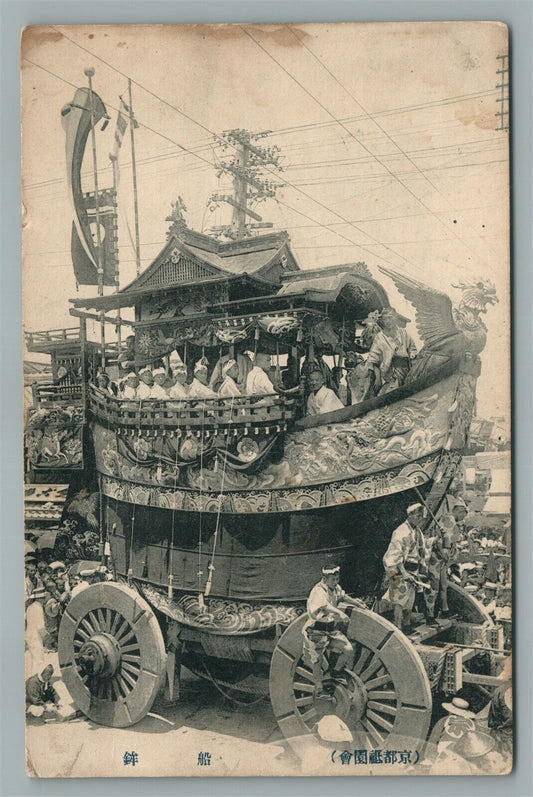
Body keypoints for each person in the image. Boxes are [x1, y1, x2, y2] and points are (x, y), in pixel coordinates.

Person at [302, 565, 366, 698]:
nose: (336, 582)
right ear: (324, 579)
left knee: (348, 649)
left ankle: (336, 672)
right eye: (333, 579)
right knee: (316, 661)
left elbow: (344, 597)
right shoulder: (318, 591)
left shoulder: (335, 588)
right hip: (316, 631)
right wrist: (339, 613)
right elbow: (324, 605)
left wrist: (358, 604)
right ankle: (319, 688)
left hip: (330, 630)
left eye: (337, 579)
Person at [382, 503, 430, 632]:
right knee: (400, 598)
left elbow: (421, 550)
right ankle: (398, 624)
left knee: (410, 598)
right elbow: (395, 555)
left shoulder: (416, 531)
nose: (420, 519)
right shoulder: (401, 532)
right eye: (418, 516)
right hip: (398, 568)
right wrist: (403, 572)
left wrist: (421, 568)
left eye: (422, 517)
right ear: (410, 515)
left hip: (412, 568)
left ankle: (407, 623)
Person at [364, 307, 417, 395]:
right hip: (390, 372)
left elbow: (412, 349)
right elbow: (374, 360)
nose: (388, 321)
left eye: (390, 317)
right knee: (387, 394)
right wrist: (378, 378)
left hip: (407, 369)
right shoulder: (380, 337)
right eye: (385, 319)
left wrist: (412, 357)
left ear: (395, 318)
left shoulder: (403, 333)